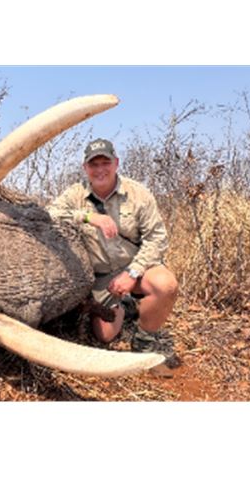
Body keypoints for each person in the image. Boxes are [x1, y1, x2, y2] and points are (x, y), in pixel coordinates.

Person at [47, 138, 180, 364]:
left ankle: (144, 340)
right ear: (85, 167)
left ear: (116, 163)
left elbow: (157, 239)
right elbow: (48, 214)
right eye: (94, 164)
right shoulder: (75, 194)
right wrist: (88, 216)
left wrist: (132, 273)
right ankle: (127, 306)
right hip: (101, 277)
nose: (100, 170)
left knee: (165, 285)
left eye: (105, 163)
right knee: (105, 336)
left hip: (136, 268)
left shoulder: (138, 193)